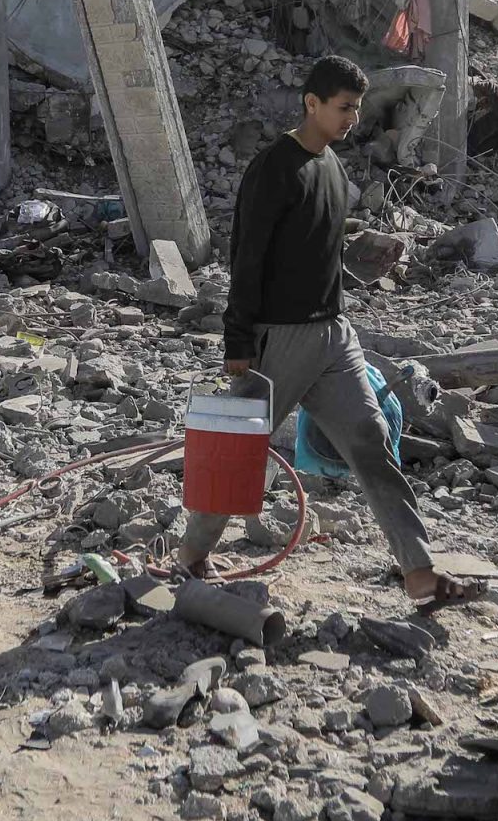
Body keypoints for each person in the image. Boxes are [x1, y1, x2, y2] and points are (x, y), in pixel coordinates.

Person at [181, 54, 475, 607]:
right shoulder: (274, 170)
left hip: (335, 336)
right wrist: (238, 341)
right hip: (283, 339)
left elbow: (321, 248)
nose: (351, 118)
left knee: (372, 441)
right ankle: (192, 556)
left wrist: (363, 254)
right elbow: (247, 258)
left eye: (357, 109)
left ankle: (419, 572)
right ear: (311, 104)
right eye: (343, 108)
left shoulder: (333, 168)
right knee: (239, 448)